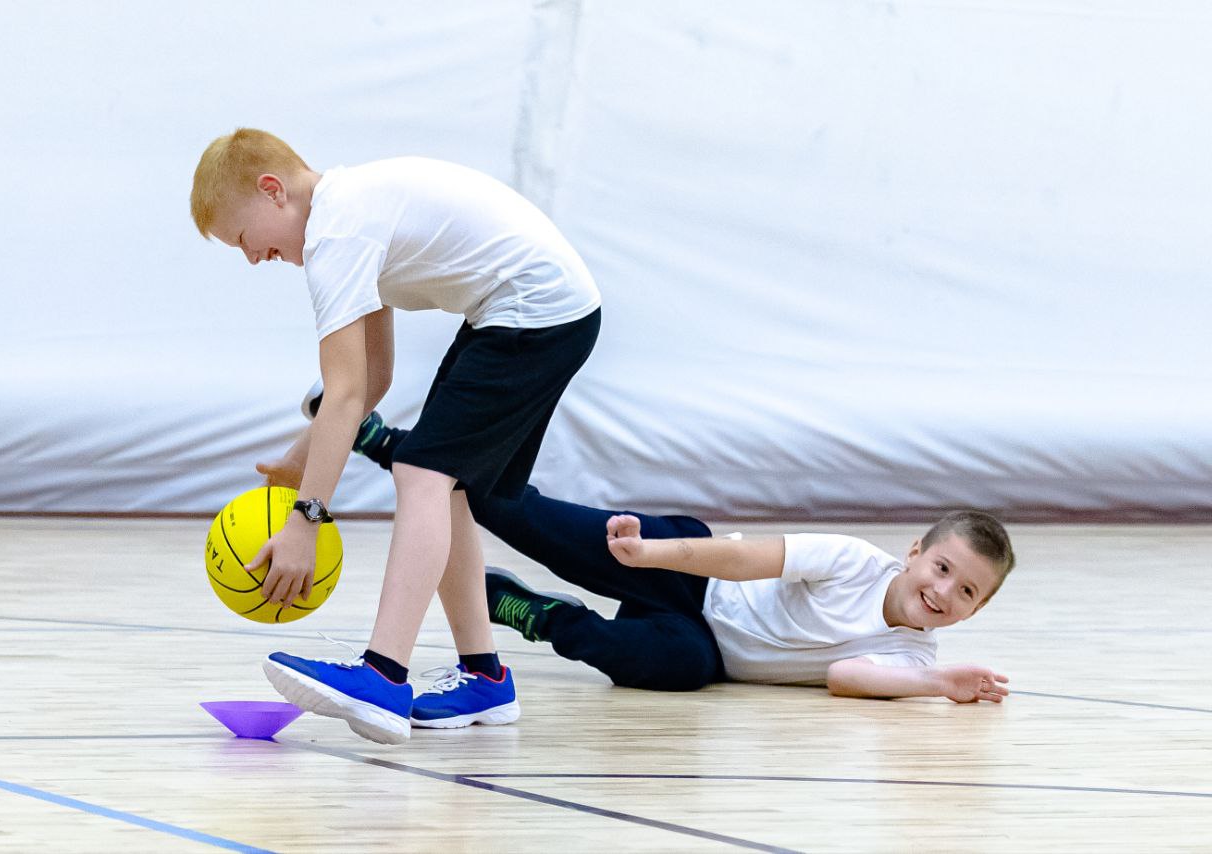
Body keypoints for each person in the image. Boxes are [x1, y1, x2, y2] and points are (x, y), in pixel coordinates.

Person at [190, 129, 601, 744]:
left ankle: (383, 673)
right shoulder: (351, 213)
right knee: (441, 480)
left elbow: (348, 391)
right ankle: (485, 678)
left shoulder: (337, 232)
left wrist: (305, 523)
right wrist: (299, 461)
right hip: (526, 308)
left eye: (245, 240)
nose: (253, 259)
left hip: (535, 309)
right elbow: (373, 379)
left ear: (271, 191)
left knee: (422, 472)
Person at [326, 417, 1015, 702]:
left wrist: (938, 687)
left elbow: (844, 674)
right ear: (915, 552)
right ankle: (395, 445)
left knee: (677, 670)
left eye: (967, 594)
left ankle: (525, 610)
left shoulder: (916, 660)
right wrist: (648, 552)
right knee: (531, 518)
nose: (944, 592)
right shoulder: (851, 560)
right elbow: (742, 562)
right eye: (944, 568)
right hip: (690, 573)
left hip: (701, 643)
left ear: (976, 610)